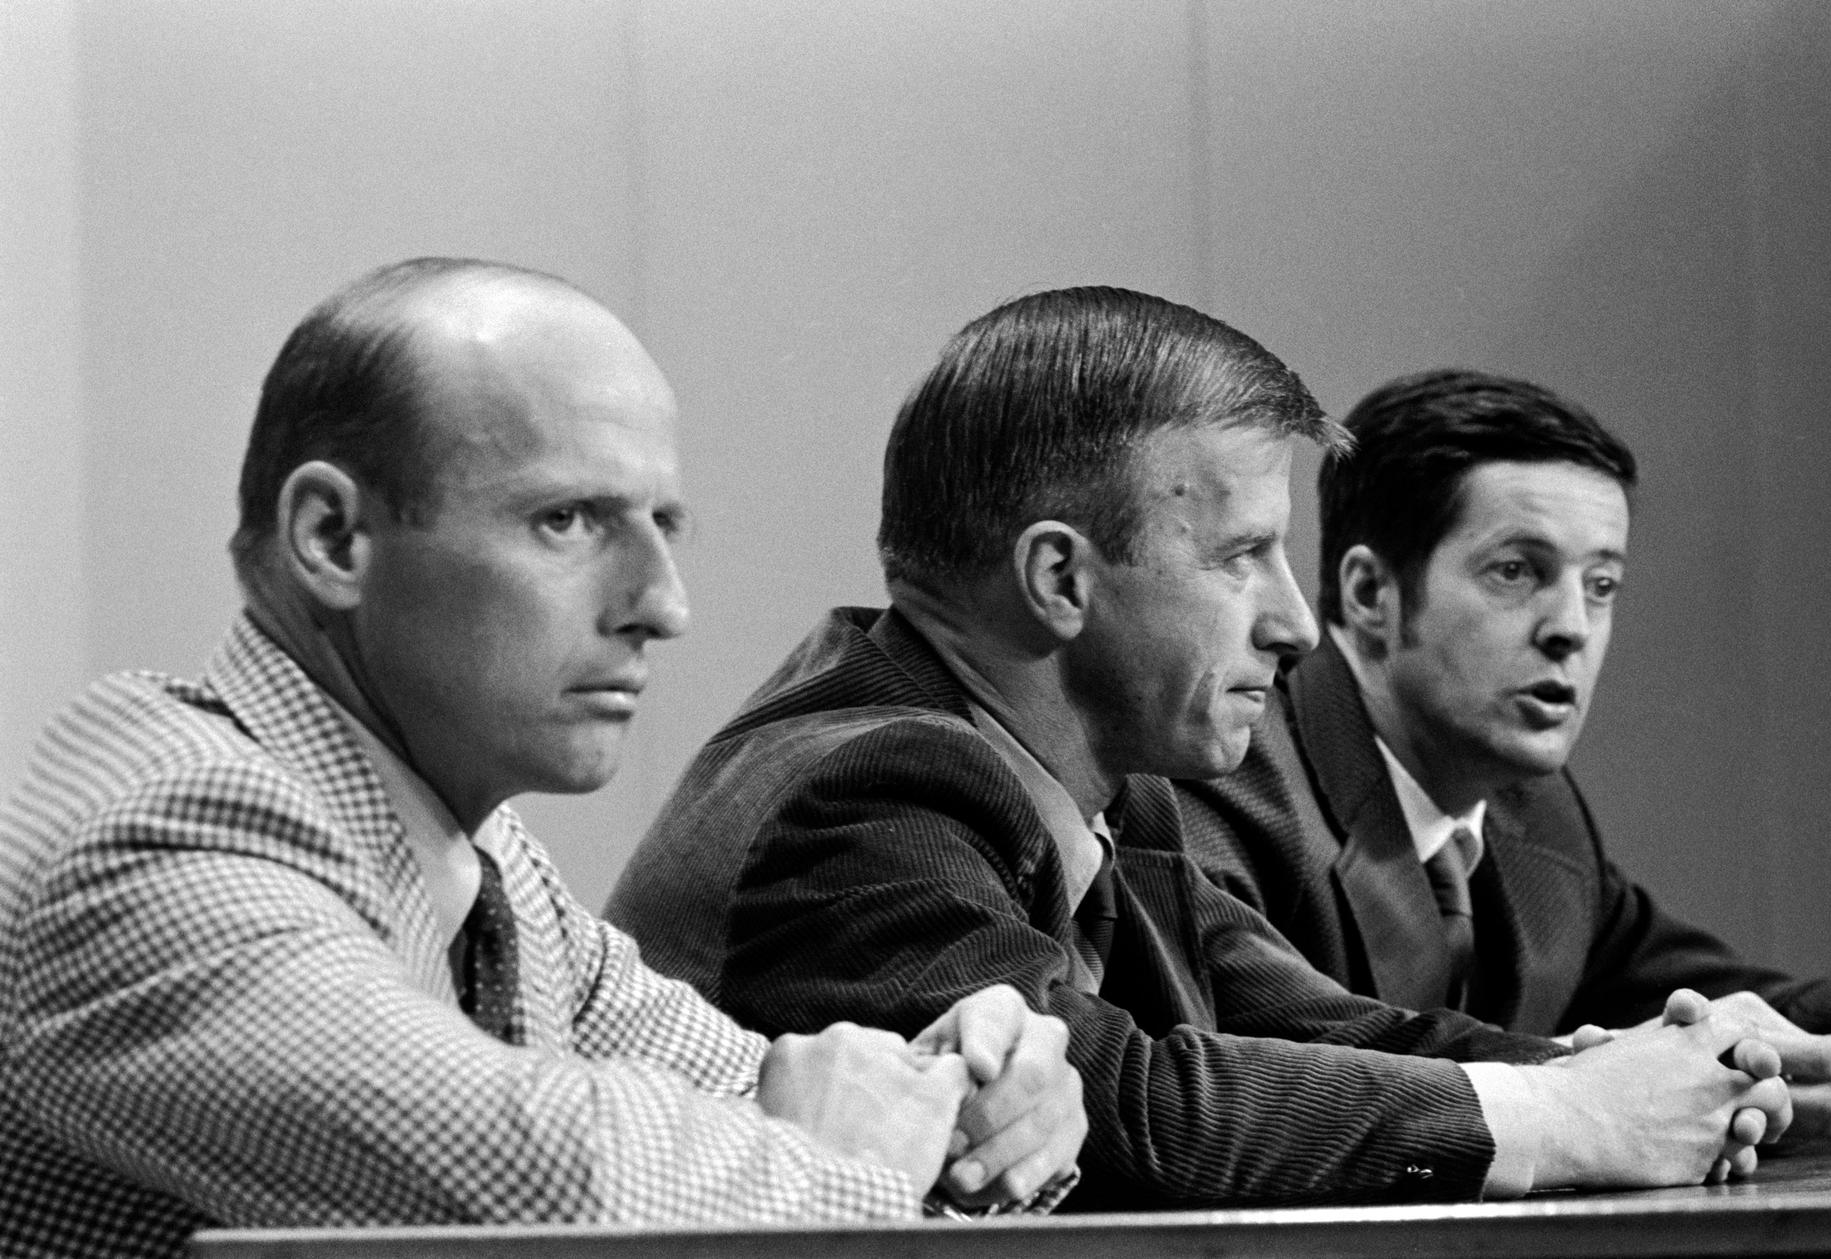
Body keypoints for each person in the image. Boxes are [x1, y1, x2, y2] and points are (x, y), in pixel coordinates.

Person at [606, 287, 1795, 1213]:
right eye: (1242, 556)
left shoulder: (1105, 779)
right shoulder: (863, 789)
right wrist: (1577, 1118)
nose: (1296, 622)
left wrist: (1663, 1075)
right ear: (1061, 577)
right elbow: (1133, 1106)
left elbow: (1322, 1032)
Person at [0, 258, 1084, 1258]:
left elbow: (747, 1103)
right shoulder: (154, 841)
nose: (664, 604)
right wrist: (843, 1158)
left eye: (664, 523)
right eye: (567, 520)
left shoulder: (487, 858)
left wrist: (968, 1094)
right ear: (333, 538)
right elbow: (554, 1186)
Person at [1176, 367, 1831, 1137]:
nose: (1572, 626)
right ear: (1371, 594)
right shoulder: (1231, 773)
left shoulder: (1536, 812)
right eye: (1517, 571)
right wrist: (1644, 1080)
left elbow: (1735, 1004)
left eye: (1601, 584)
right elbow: (1297, 1058)